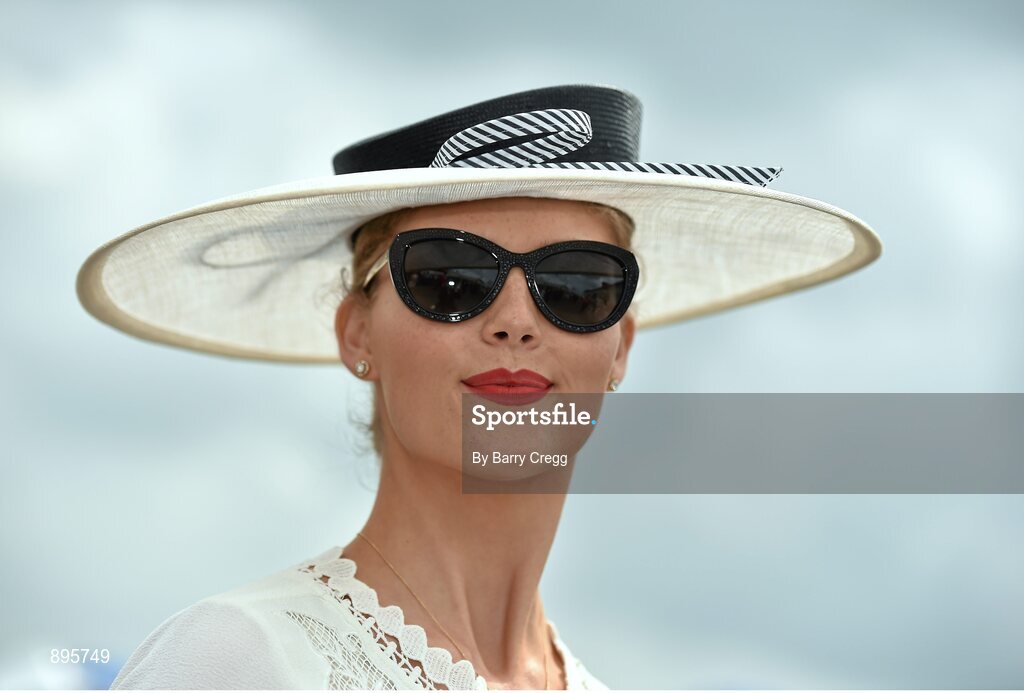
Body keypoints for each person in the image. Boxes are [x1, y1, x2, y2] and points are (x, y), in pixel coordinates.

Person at [78, 85, 881, 690]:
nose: (515, 320)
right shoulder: (240, 660)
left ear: (621, 345)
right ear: (357, 332)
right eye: (450, 277)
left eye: (575, 285)